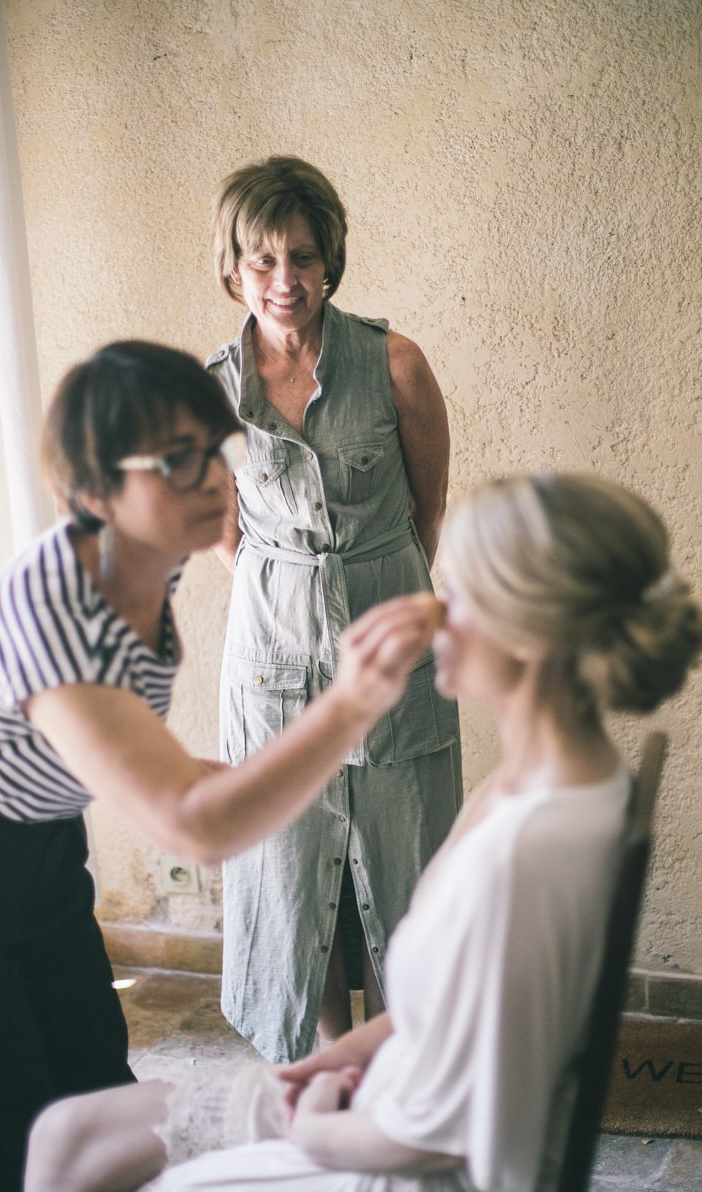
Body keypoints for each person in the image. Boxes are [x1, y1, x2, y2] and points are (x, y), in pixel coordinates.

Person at [17, 472, 702, 1192]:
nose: (426, 609)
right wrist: (334, 1059)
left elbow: (435, 1138)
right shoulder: (553, 779)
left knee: (91, 1178)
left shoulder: (531, 849)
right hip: (382, 1104)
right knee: (63, 1138)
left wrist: (311, 1121)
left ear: (526, 631)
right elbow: (451, 1009)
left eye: (452, 591)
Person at [0, 339, 440, 1192]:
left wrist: (235, 771)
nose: (213, 478)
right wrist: (351, 701)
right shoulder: (54, 614)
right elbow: (191, 825)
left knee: (89, 1080)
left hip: (37, 846)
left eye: (214, 448)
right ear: (92, 488)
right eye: (174, 462)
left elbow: (148, 760)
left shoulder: (145, 563)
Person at [205, 155, 463, 1060]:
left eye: (303, 258)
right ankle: (318, 1067)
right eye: (263, 259)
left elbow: (425, 508)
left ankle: (406, 1070)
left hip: (389, 639)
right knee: (286, 867)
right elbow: (224, 531)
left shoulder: (394, 363)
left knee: (406, 861)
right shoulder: (215, 392)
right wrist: (292, 587)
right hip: (270, 658)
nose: (285, 281)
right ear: (233, 265)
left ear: (331, 262)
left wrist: (373, 580)